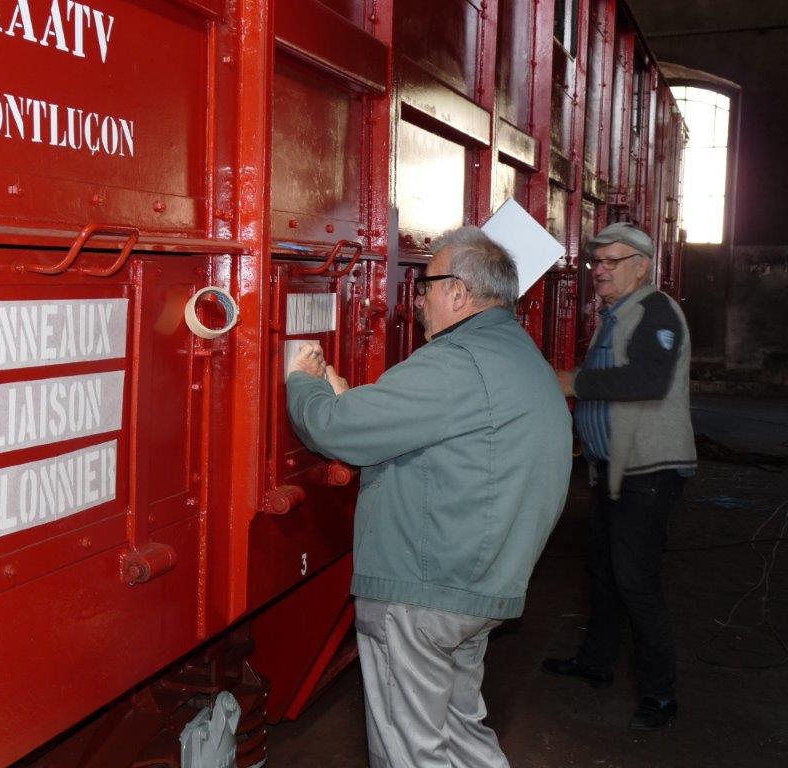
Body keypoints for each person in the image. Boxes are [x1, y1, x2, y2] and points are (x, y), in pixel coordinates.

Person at [286, 226, 572, 768]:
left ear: (459, 292)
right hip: (474, 587)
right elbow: (443, 439)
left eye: (427, 285)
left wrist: (305, 382)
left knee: (411, 751)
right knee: (460, 734)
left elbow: (333, 428)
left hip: (425, 592)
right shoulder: (514, 355)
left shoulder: (455, 362)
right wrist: (364, 408)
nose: (419, 300)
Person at [542, 222, 696, 730]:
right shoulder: (617, 314)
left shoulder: (656, 311)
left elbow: (648, 380)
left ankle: (659, 694)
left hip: (649, 472)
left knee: (635, 580)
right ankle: (596, 663)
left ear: (642, 265)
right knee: (604, 573)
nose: (600, 271)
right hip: (615, 471)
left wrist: (573, 381)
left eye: (611, 262)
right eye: (596, 262)